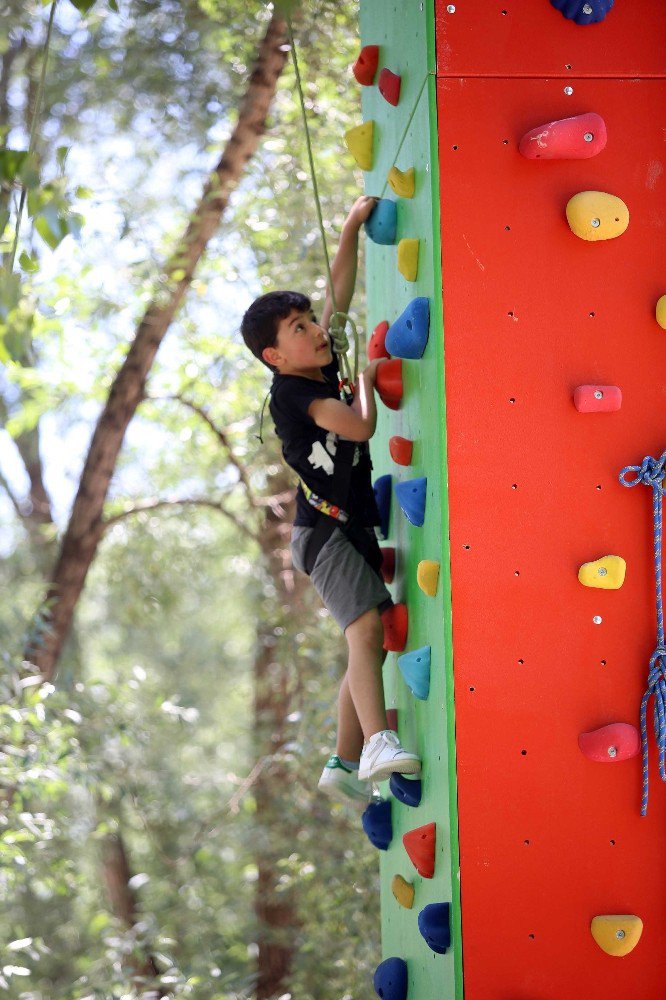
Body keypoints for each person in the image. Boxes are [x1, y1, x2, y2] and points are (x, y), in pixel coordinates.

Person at [240, 196, 421, 803]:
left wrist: (349, 227)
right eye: (299, 329)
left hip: (349, 527)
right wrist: (367, 381)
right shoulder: (291, 395)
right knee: (365, 631)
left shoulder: (320, 355)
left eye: (308, 320)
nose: (316, 330)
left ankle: (344, 762)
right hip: (323, 533)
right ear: (275, 356)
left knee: (364, 636)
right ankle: (376, 743)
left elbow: (337, 291)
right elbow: (360, 427)